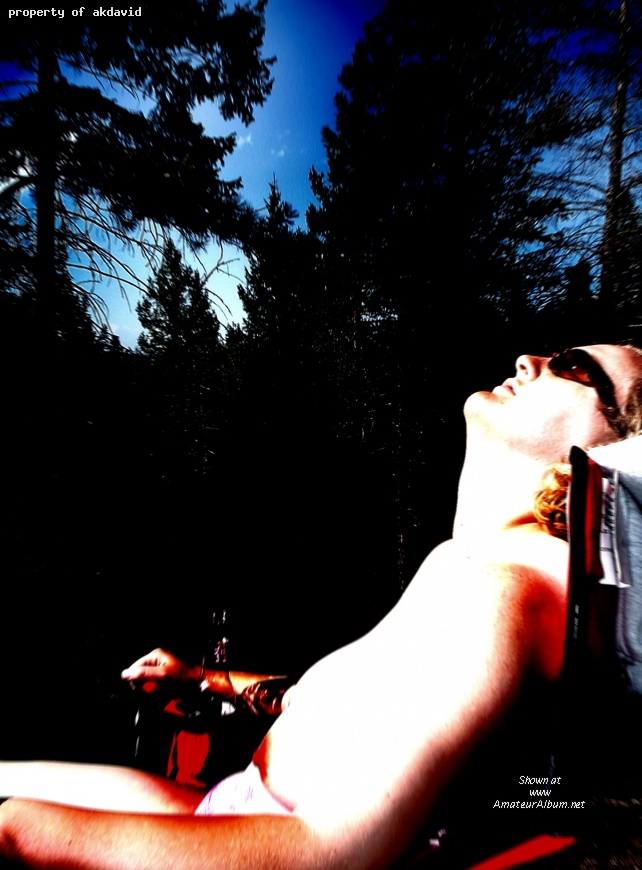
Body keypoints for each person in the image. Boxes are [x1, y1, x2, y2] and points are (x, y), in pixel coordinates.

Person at [2, 344, 642, 869]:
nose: (531, 359)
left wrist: (22, 836)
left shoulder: (510, 590)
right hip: (223, 815)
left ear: (614, 449)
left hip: (249, 847)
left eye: (575, 367)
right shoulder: (477, 570)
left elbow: (326, 856)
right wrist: (199, 677)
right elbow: (328, 712)